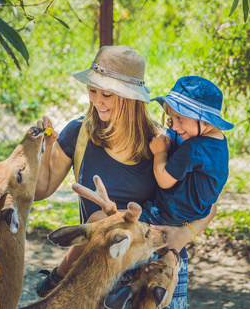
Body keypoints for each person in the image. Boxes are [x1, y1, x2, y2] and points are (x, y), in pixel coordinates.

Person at [34, 45, 216, 308]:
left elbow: (210, 205)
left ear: (130, 97)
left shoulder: (164, 143)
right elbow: (41, 190)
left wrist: (185, 234)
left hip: (154, 273)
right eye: (92, 90)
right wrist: (46, 146)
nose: (97, 101)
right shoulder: (79, 133)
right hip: (97, 271)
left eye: (107, 93)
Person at [142, 75, 234, 229]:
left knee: (102, 220)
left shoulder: (193, 148)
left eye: (180, 118)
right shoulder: (218, 142)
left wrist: (160, 153)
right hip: (194, 215)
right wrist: (179, 123)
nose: (175, 126)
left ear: (205, 119)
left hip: (164, 217)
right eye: (171, 118)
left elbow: (164, 180)